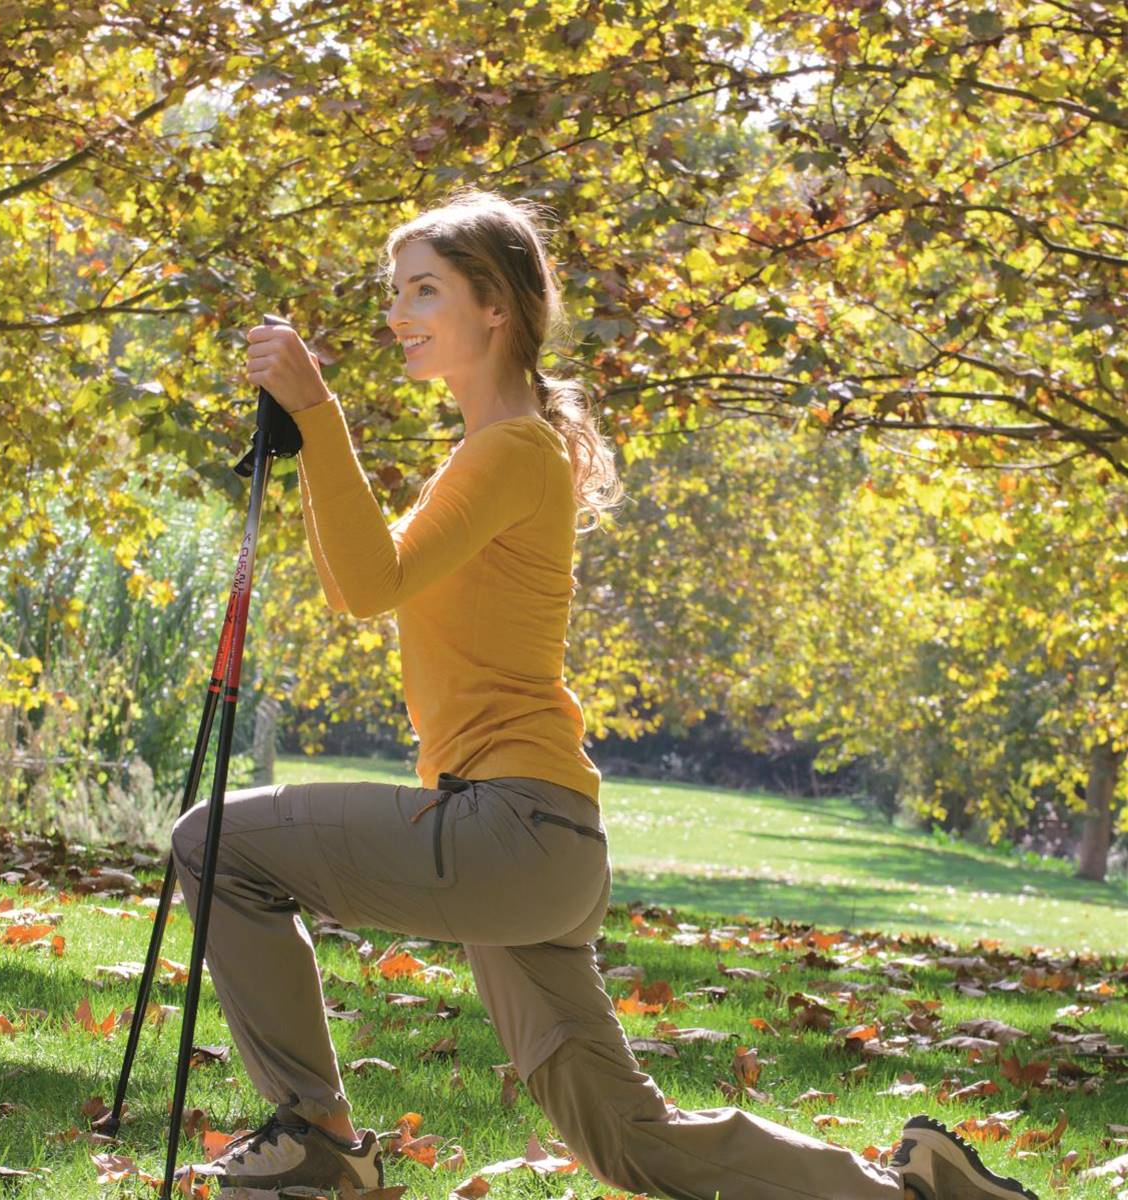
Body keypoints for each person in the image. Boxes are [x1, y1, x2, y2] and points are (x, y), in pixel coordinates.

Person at [169, 188, 1039, 1200]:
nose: (399, 314)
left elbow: (369, 587)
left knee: (213, 844)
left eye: (423, 291)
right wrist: (310, 434)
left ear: (494, 307)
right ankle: (915, 1191)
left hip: (511, 825)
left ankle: (317, 1136)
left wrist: (319, 414)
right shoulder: (490, 454)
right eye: (393, 293)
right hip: (531, 844)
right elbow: (361, 576)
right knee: (636, 1147)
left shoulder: (513, 450)